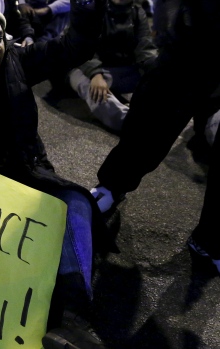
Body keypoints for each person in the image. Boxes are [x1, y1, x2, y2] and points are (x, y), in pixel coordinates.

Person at [0, 1, 108, 348]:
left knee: (73, 202)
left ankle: (74, 320)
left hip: (25, 175)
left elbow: (74, 46)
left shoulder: (16, 60)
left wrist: (87, 7)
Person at [89, 0, 220, 273]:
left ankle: (211, 238)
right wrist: (171, 29)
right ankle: (113, 184)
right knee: (147, 133)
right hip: (187, 51)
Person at [67, 0, 157, 132]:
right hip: (86, 66)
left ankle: (154, 116)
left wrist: (156, 69)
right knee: (93, 88)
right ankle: (132, 124)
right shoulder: (90, 8)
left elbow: (145, 48)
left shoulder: (137, 12)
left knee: (159, 78)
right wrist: (95, 74)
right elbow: (80, 45)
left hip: (121, 69)